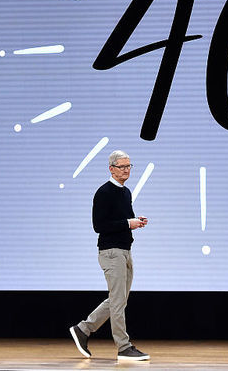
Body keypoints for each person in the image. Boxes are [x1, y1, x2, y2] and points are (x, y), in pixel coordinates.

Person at [69, 150, 150, 361]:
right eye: (122, 166)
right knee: (117, 301)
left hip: (125, 251)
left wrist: (135, 221)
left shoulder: (126, 192)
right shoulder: (104, 192)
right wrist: (128, 223)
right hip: (111, 252)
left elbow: (122, 220)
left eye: (129, 166)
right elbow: (99, 225)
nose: (126, 170)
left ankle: (83, 329)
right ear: (111, 169)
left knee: (118, 299)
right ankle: (123, 346)